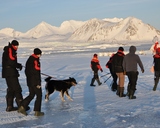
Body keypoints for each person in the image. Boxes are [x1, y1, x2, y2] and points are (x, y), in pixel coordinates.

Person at [18, 48, 44, 116]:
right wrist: (38, 83)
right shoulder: (36, 61)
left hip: (29, 81)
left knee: (31, 94)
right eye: (40, 54)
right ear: (38, 54)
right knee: (39, 95)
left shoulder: (29, 59)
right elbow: (37, 72)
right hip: (35, 81)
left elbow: (27, 71)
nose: (40, 55)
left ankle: (22, 107)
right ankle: (37, 111)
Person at [2, 40, 23, 112]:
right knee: (17, 89)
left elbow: (11, 61)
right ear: (13, 45)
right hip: (11, 73)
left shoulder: (8, 50)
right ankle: (21, 107)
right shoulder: (10, 50)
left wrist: (17, 65)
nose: (17, 47)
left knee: (11, 89)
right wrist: (18, 65)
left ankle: (9, 106)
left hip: (7, 73)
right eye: (16, 46)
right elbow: (11, 62)